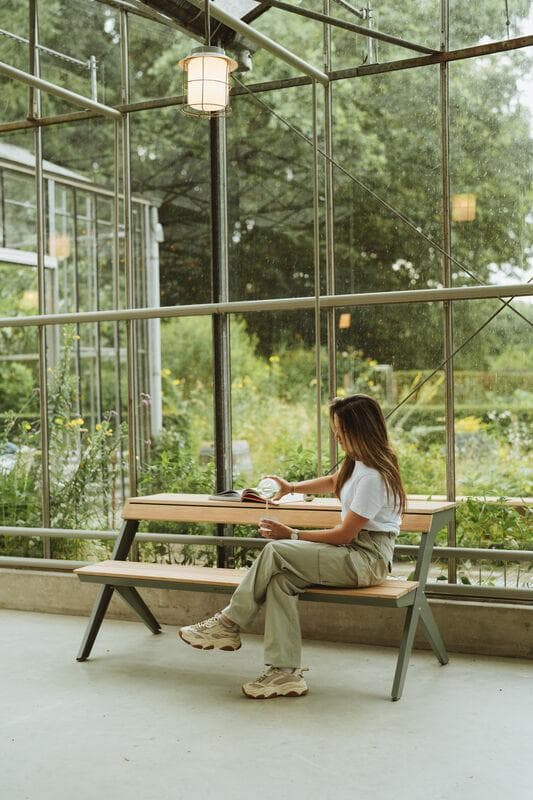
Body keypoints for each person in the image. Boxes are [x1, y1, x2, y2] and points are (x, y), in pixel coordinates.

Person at [179, 394, 407, 699]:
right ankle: (284, 674)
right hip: (350, 555)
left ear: (360, 430)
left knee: (276, 550)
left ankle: (228, 622)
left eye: (341, 432)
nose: (337, 438)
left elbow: (345, 535)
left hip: (367, 559)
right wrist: (290, 488)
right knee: (280, 582)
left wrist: (293, 534)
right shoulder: (358, 463)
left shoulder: (375, 477)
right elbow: (333, 482)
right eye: (335, 432)